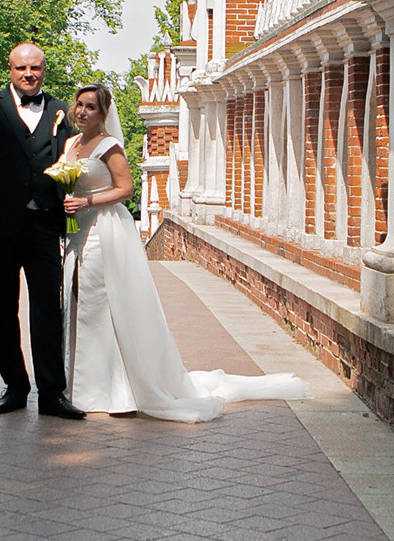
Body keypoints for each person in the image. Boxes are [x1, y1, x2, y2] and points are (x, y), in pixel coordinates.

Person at [57, 83, 310, 422]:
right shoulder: (71, 143)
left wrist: (87, 200)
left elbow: (126, 188)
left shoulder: (109, 146)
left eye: (90, 106)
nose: (82, 111)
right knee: (76, 303)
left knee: (101, 303)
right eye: (79, 104)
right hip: (77, 230)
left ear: (104, 113)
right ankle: (79, 387)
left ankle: (117, 390)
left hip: (104, 231)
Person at [0, 44, 84, 418]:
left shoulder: (61, 111)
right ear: (10, 69)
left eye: (35, 68)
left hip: (45, 226)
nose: (28, 74)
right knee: (4, 308)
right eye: (21, 68)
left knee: (48, 309)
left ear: (44, 70)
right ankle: (15, 386)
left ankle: (52, 393)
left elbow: (72, 162)